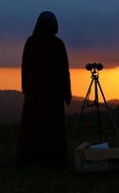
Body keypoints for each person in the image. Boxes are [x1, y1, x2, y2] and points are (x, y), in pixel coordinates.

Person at [16, 11, 72, 167]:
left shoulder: (31, 42)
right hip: (53, 93)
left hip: (34, 92)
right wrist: (66, 93)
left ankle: (29, 157)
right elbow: (63, 71)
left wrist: (25, 87)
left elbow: (25, 67)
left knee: (32, 125)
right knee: (53, 127)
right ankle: (53, 158)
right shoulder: (57, 44)